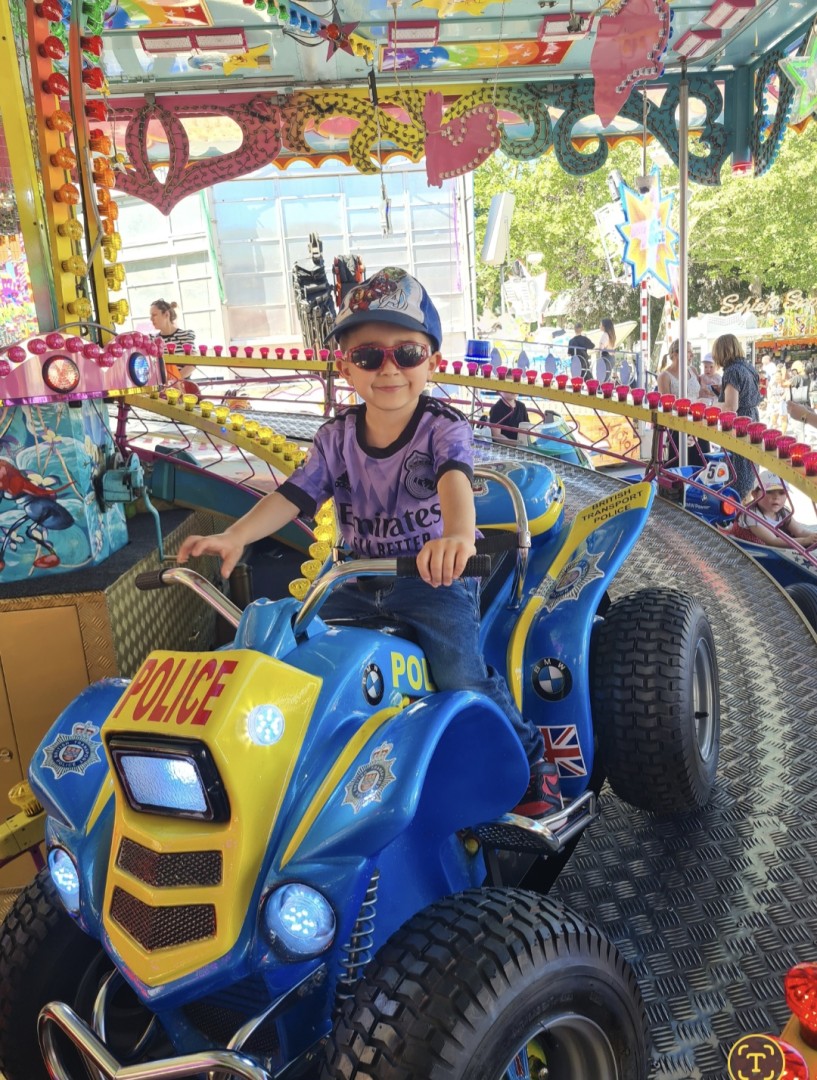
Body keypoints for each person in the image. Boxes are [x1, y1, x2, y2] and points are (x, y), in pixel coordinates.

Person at [177, 266, 558, 819]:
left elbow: (454, 480)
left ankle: (530, 760)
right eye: (368, 356)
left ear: (431, 361)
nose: (389, 368)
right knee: (302, 656)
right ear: (345, 366)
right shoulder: (334, 437)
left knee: (458, 672)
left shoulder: (443, 427)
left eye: (407, 353)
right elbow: (294, 495)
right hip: (354, 578)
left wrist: (456, 537)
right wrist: (235, 535)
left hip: (434, 576)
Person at [713, 333, 763, 498]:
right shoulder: (748, 368)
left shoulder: (732, 371)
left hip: (739, 424)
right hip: (752, 419)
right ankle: (747, 502)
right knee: (750, 467)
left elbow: (731, 407)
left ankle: (736, 507)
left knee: (737, 474)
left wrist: (710, 404)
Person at [726, 471, 817, 549]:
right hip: (744, 549)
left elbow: (800, 531)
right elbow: (773, 541)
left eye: (782, 493)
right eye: (769, 492)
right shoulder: (751, 515)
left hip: (764, 548)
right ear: (755, 494)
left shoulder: (783, 513)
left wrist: (813, 537)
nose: (776, 497)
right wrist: (805, 540)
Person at [658, 338, 709, 464]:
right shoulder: (665, 376)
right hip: (678, 424)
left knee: (702, 462)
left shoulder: (693, 370)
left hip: (699, 421)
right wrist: (690, 407)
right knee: (679, 463)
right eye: (688, 351)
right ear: (676, 354)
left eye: (691, 352)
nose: (692, 355)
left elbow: (700, 393)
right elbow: (667, 404)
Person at [150, 299, 196, 382]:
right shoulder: (153, 340)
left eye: (154, 315)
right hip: (162, 386)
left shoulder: (185, 335)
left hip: (183, 384)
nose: (151, 319)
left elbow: (192, 363)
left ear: (166, 314)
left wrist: (175, 380)